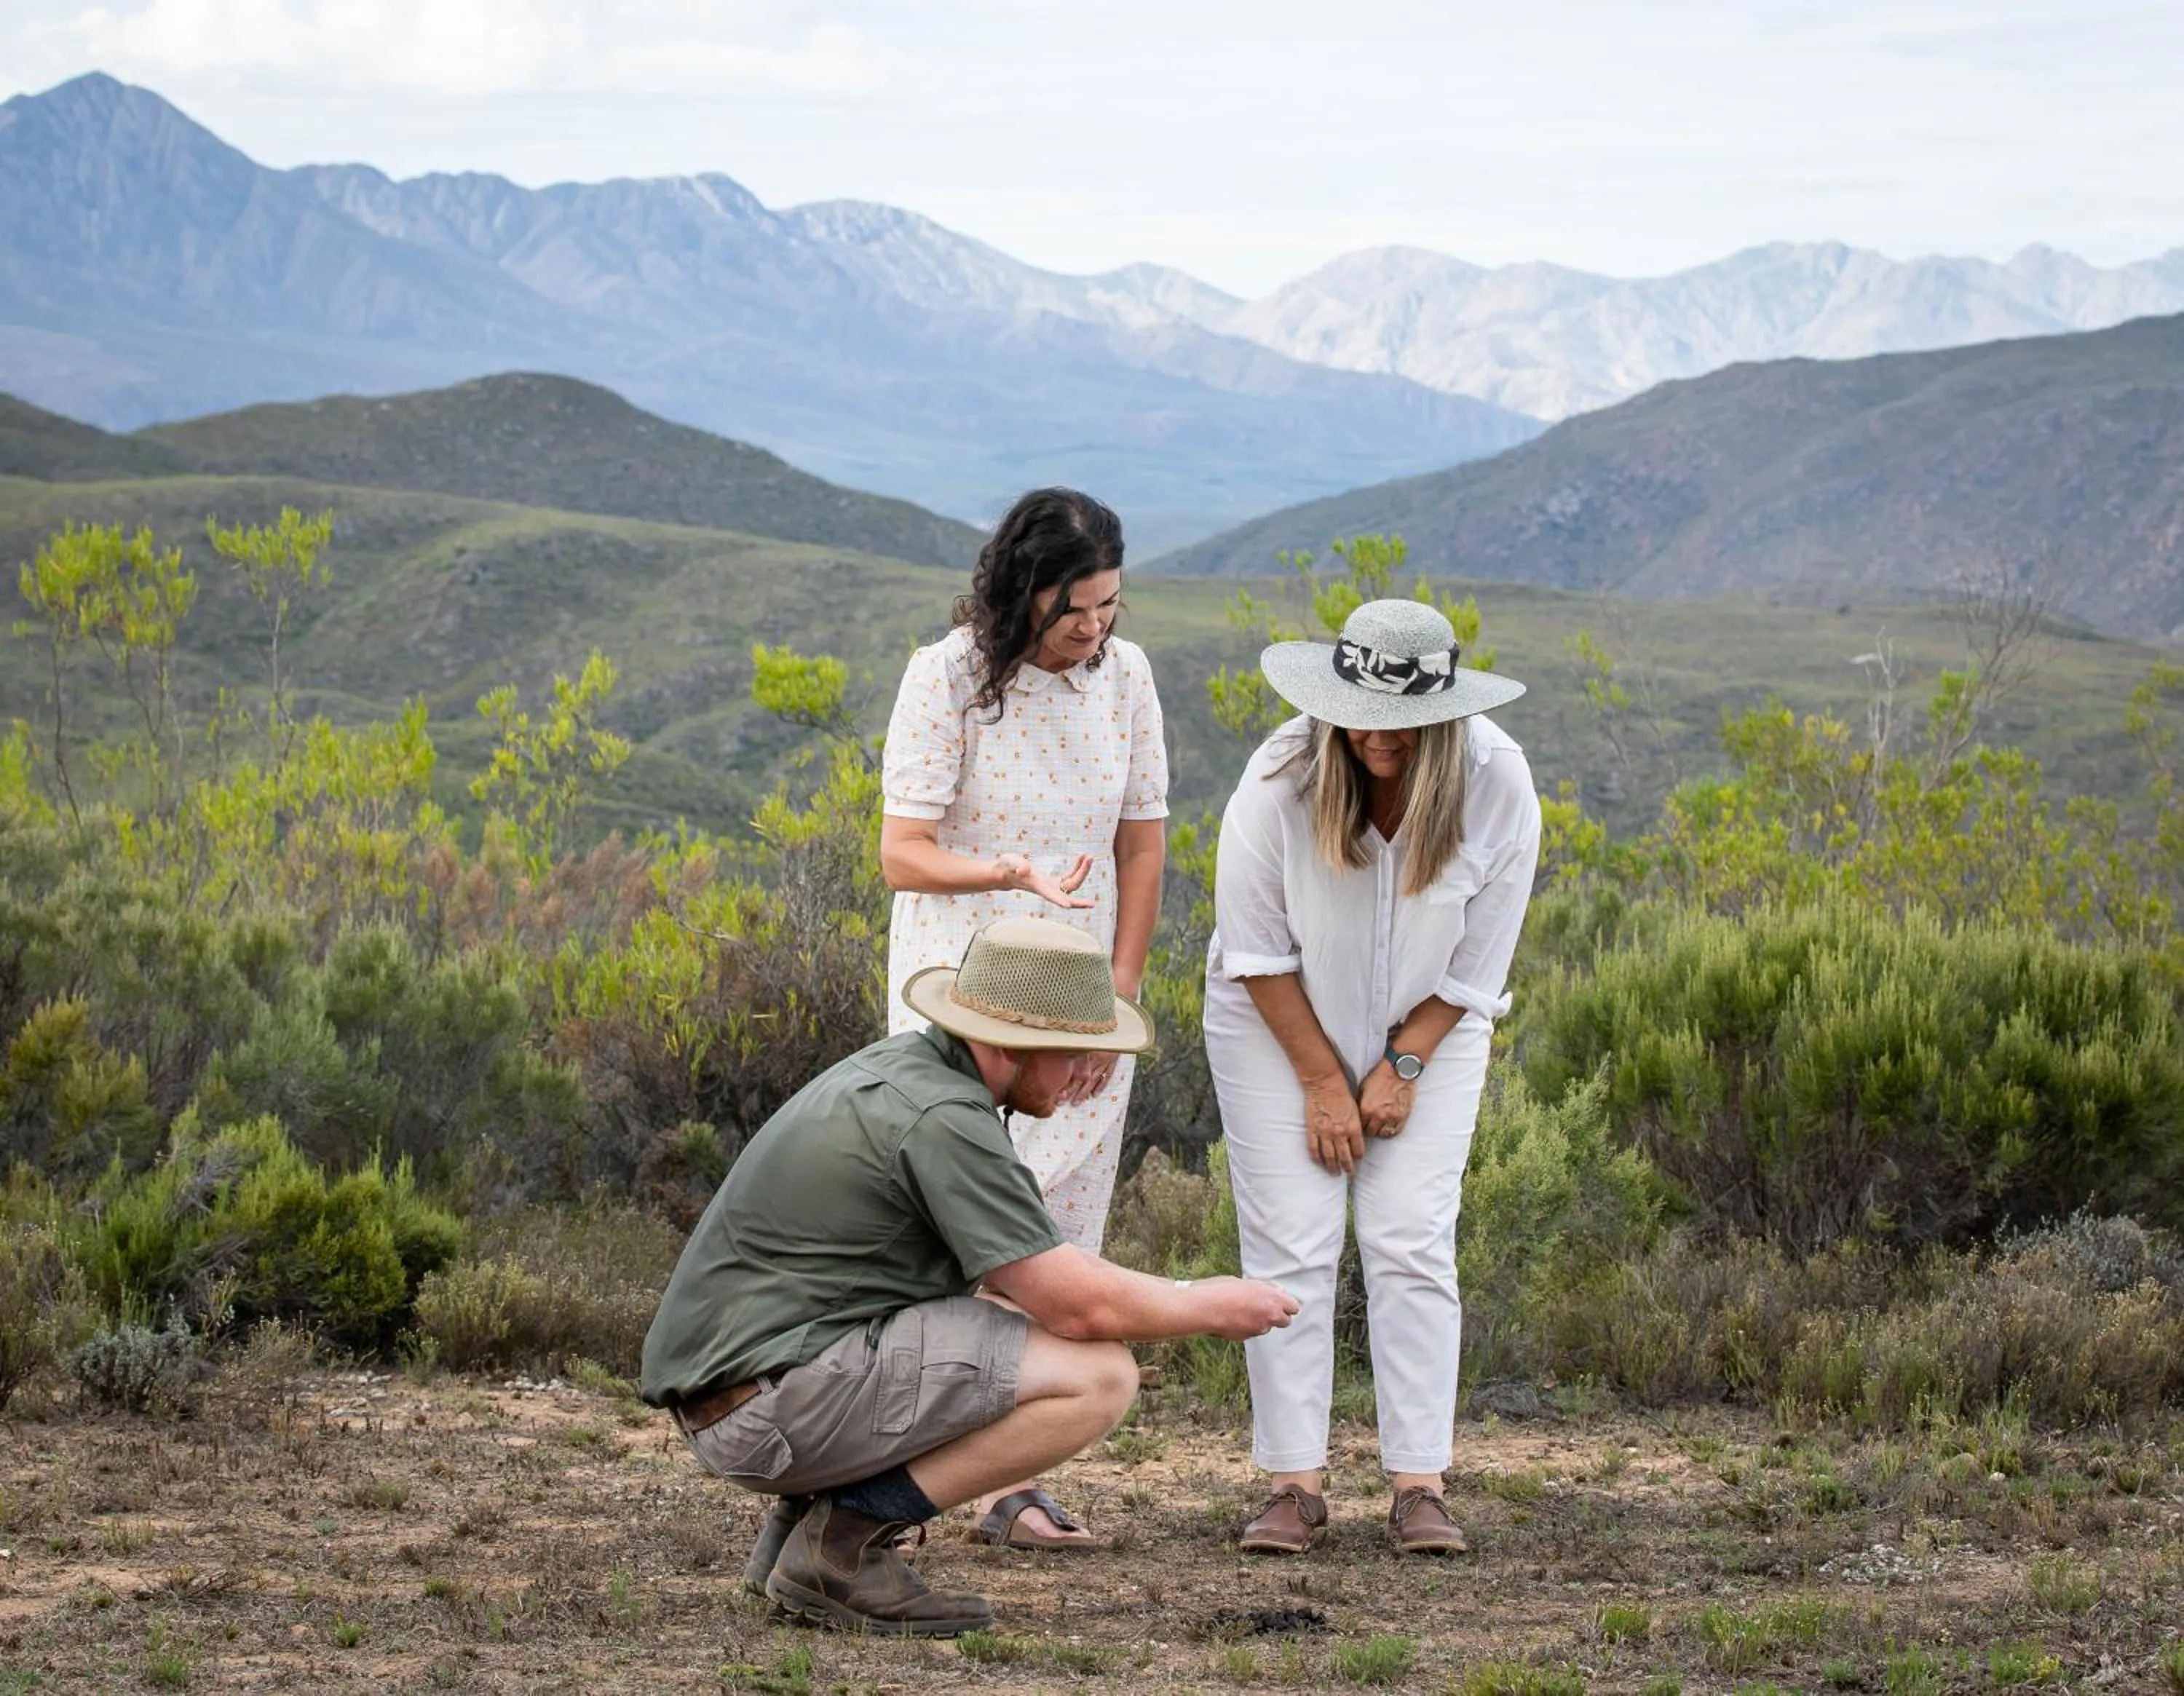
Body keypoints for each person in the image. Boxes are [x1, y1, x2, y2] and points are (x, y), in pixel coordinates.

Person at [641, 916, 1297, 1636]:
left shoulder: (906, 1072)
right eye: (1075, 1049)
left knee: (990, 1325)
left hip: (746, 1395)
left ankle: (798, 1529)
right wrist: (1207, 1301)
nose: (1088, 1070)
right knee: (1099, 1376)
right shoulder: (945, 1115)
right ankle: (843, 1542)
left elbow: (1015, 1281)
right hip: (766, 1410)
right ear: (1011, 1043)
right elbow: (1078, 1308)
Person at [1203, 598, 1540, 1556]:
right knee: (1291, 1242)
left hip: (1433, 1023)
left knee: (1410, 1236)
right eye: (1357, 711)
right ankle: (1293, 1485)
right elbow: (1256, 953)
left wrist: (1401, 1062)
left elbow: (1481, 962)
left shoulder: (1498, 780)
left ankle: (1420, 1483)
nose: (1372, 736)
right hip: (1274, 1022)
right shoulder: (1277, 777)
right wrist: (1320, 1080)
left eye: (1398, 722)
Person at [879, 486, 1167, 1548]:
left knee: (1058, 1237)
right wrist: (1008, 870)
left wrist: (1119, 991)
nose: (1094, 629)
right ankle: (893, 1478)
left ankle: (1012, 1483)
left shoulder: (1127, 678)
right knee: (942, 1237)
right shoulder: (946, 675)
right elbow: (901, 851)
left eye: (1109, 606)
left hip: (1074, 998)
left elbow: (1143, 840)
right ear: (1022, 593)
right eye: (1074, 610)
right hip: (959, 991)